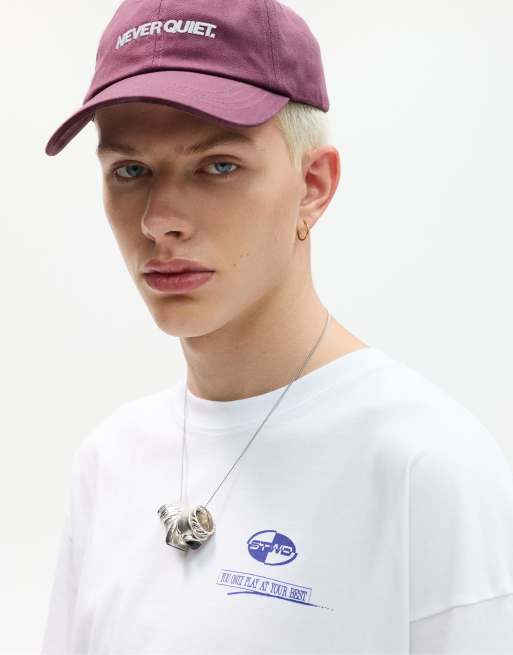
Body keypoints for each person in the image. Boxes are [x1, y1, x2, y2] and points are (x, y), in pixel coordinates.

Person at [41, 0, 513, 653]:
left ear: (313, 186)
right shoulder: (109, 460)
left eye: (218, 166)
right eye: (130, 171)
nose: (159, 220)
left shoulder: (423, 463)